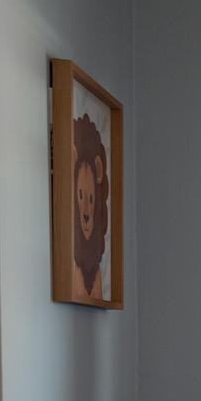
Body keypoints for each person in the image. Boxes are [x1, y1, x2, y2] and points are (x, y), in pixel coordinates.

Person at [71, 111, 110, 299]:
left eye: (91, 200)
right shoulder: (75, 269)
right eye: (81, 196)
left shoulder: (96, 272)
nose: (86, 212)